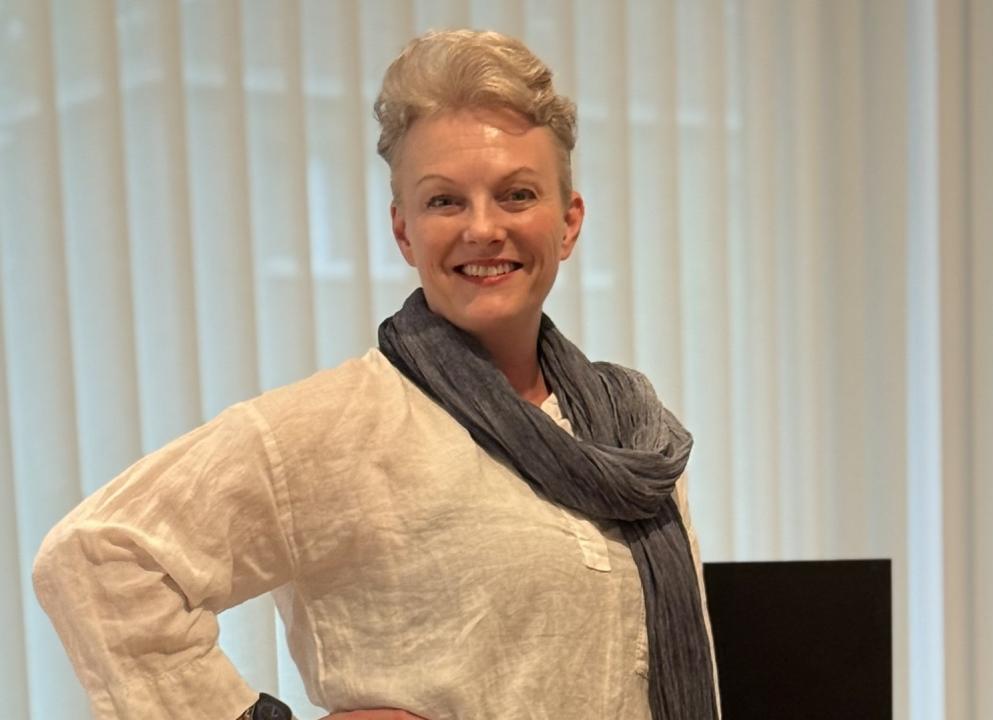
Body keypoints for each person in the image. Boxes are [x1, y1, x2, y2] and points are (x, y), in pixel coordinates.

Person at [32, 29, 719, 720]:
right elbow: (99, 558)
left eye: (516, 195)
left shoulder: (635, 434)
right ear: (404, 230)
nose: (483, 228)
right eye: (445, 201)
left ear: (567, 223)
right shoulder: (343, 423)